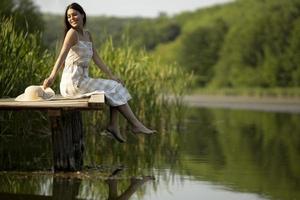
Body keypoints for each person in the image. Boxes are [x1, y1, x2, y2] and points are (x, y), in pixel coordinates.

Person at [43, 3, 155, 143]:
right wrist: (52, 76)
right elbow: (61, 56)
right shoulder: (72, 34)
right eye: (69, 16)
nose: (72, 18)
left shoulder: (87, 34)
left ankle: (114, 125)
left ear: (82, 14)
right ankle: (135, 125)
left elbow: (96, 58)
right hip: (73, 82)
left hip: (83, 80)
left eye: (75, 14)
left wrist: (111, 75)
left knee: (115, 86)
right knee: (114, 88)